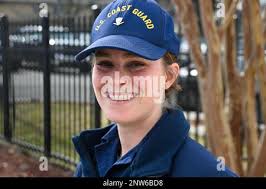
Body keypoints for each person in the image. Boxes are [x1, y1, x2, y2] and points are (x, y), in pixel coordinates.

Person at [72, 0, 238, 177]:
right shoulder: (91, 162)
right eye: (105, 64)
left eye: (135, 64)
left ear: (169, 76)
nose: (116, 80)